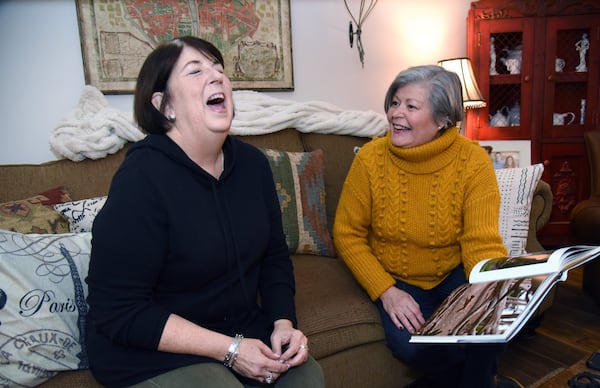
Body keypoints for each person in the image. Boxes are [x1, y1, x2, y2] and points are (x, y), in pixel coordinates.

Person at [85, 36, 324, 388]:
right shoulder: (142, 179)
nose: (217, 78)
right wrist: (229, 350)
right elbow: (117, 309)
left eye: (219, 70)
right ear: (164, 104)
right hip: (149, 346)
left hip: (236, 328)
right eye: (195, 71)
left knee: (306, 378)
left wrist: (282, 323)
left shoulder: (254, 166)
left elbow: (274, 257)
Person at [333, 65, 522, 388]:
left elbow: (481, 240)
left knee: (491, 321)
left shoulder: (472, 161)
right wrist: (386, 291)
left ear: (442, 120)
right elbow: (347, 233)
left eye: (411, 106)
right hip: (398, 277)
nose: (396, 114)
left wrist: (483, 285)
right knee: (412, 347)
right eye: (395, 102)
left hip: (454, 270)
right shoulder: (370, 159)